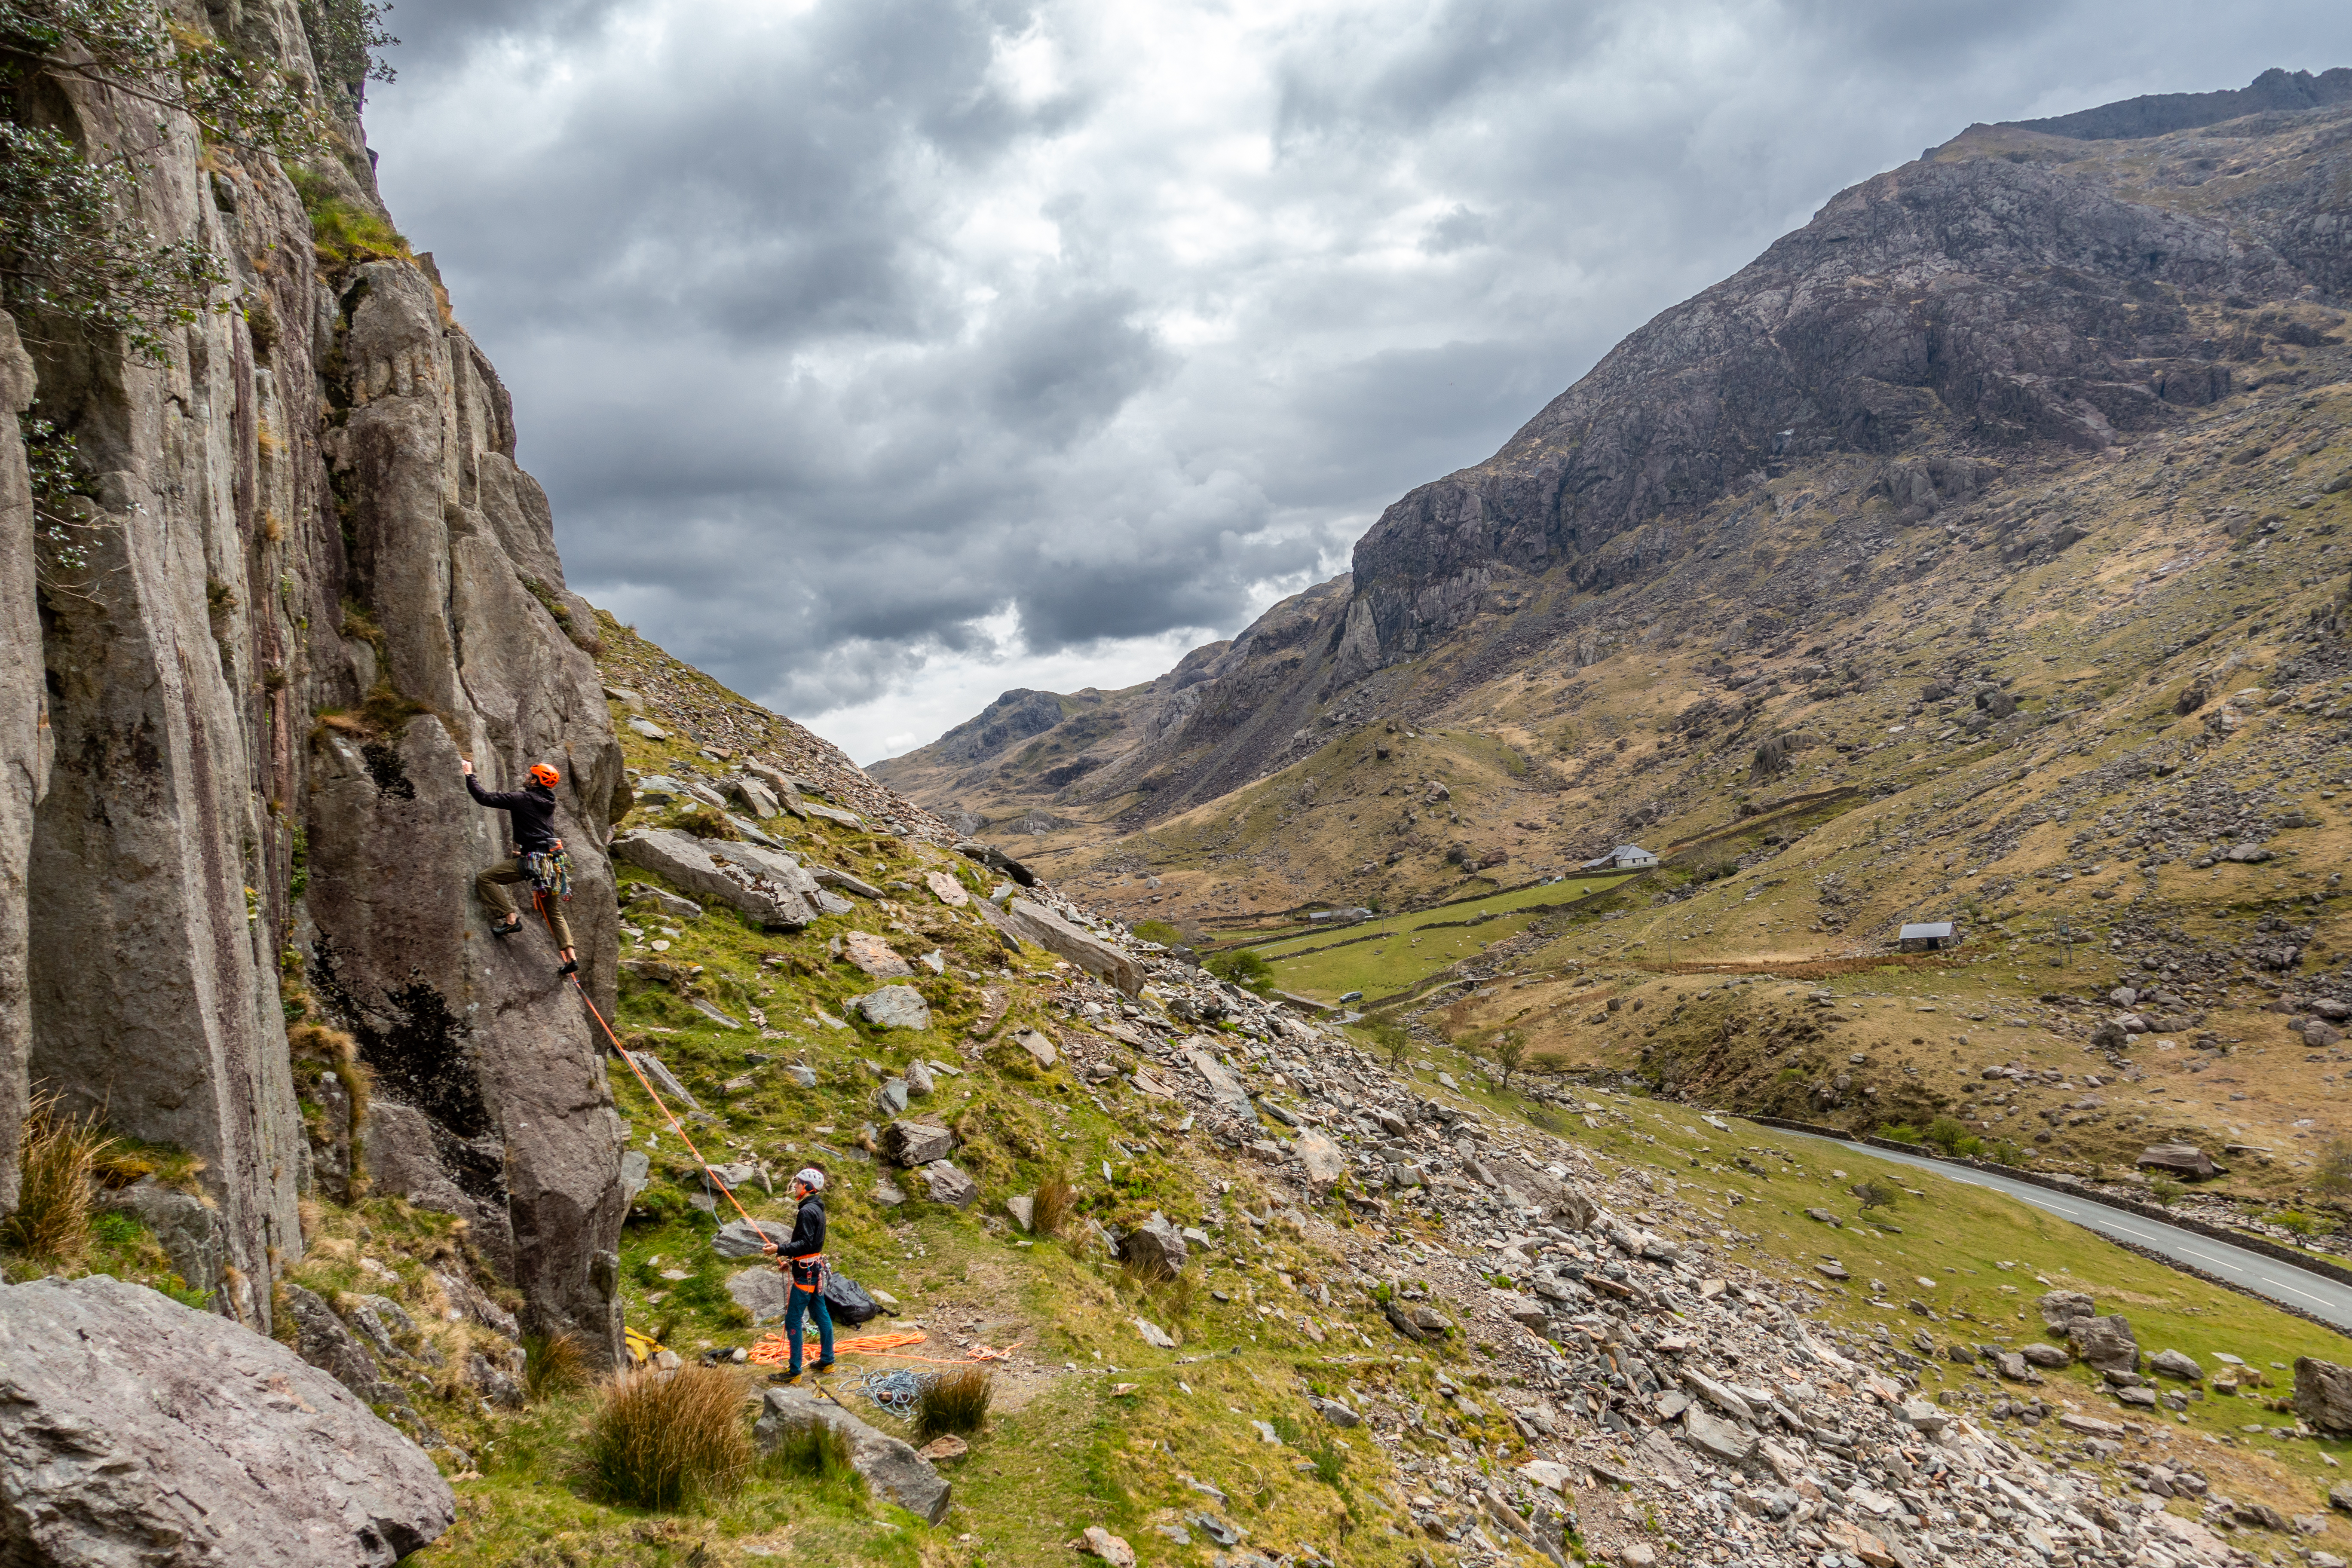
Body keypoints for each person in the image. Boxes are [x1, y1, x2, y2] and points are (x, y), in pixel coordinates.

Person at [460, 757, 577, 976]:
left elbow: (484, 798)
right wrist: (524, 851)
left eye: (529, 775)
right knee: (552, 911)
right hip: (553, 862)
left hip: (535, 862)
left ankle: (510, 919)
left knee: (486, 878)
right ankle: (571, 957)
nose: (526, 777)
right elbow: (539, 831)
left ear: (535, 781)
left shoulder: (522, 798)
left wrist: (469, 774)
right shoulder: (548, 803)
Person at [763, 1166, 834, 1380]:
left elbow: (804, 1243)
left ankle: (794, 1371)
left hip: (806, 1275)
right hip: (815, 1270)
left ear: (807, 1187)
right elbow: (811, 1245)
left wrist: (780, 1249)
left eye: (798, 1183)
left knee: (793, 1319)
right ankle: (827, 1361)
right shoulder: (817, 1208)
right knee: (821, 1315)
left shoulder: (806, 1211)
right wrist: (791, 1261)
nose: (795, 1186)